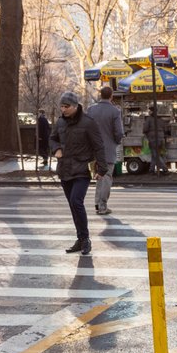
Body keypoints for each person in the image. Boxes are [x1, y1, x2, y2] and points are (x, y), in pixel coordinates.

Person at [48, 91, 107, 256]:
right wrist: (56, 149)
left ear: (75, 106)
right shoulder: (60, 122)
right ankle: (80, 239)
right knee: (73, 206)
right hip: (65, 169)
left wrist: (101, 169)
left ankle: (86, 239)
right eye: (61, 106)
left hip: (81, 169)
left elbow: (99, 145)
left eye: (66, 106)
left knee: (76, 201)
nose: (63, 109)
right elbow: (52, 139)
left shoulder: (88, 123)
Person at [85, 85, 124, 214]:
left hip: (92, 149)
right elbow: (119, 132)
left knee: (99, 176)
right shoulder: (115, 111)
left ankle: (97, 203)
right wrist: (116, 142)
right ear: (111, 96)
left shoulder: (91, 110)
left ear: (100, 95)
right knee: (106, 176)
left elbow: (85, 129)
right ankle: (102, 205)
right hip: (108, 148)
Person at [145, 107, 169, 174]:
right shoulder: (160, 119)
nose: (149, 112)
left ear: (151, 111)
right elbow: (165, 129)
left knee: (156, 155)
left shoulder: (149, 119)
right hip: (161, 138)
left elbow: (145, 129)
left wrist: (147, 135)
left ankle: (165, 169)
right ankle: (151, 170)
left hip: (153, 138)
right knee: (154, 154)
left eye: (149, 111)